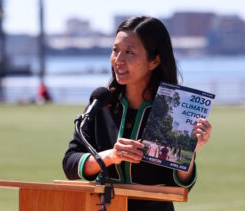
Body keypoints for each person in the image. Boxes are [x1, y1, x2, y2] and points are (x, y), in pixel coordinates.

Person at [62, 16, 212, 211]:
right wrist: (110, 156)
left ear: (154, 60)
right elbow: (70, 163)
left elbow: (180, 186)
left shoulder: (174, 110)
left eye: (129, 52)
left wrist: (189, 152)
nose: (118, 60)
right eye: (115, 50)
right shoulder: (101, 103)